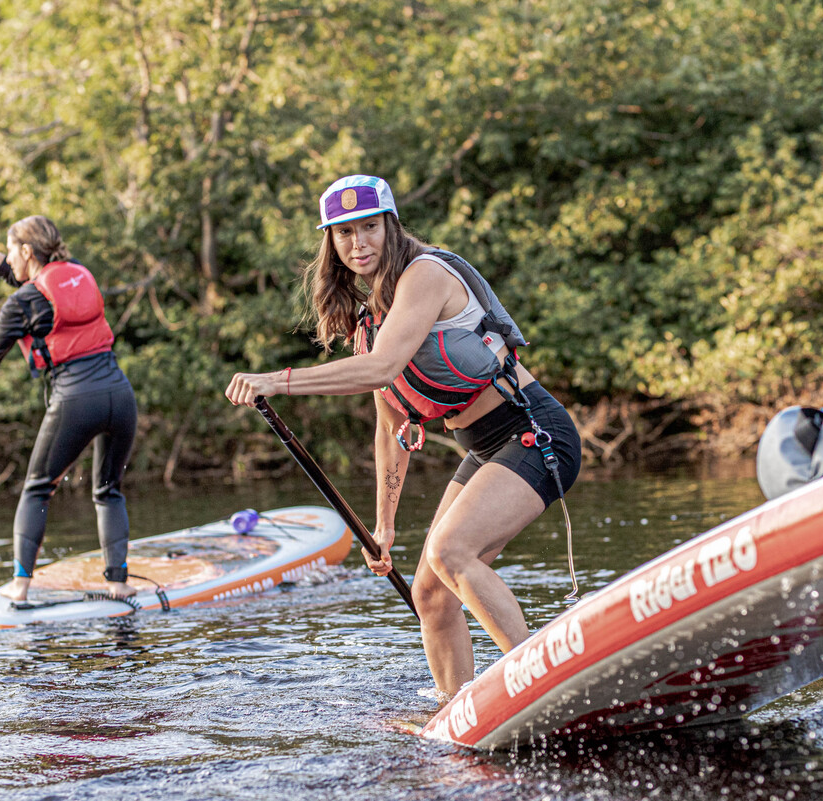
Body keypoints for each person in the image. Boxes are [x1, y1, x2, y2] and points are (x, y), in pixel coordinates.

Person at [225, 175, 581, 697]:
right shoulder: (372, 311)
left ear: (391, 226)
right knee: (431, 594)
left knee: (451, 550)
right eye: (344, 234)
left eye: (369, 228)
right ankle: (456, 707)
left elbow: (380, 368)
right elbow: (390, 422)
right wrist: (383, 526)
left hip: (534, 434)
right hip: (483, 449)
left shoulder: (425, 275)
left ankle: (544, 683)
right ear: (331, 242)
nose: (358, 243)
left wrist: (277, 381)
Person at [0, 217, 138, 602]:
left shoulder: (23, 302)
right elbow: (13, 272)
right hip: (120, 394)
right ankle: (117, 584)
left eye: (12, 249)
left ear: (27, 251)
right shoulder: (77, 273)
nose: (9, 259)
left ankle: (19, 588)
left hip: (75, 399)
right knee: (108, 489)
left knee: (37, 488)